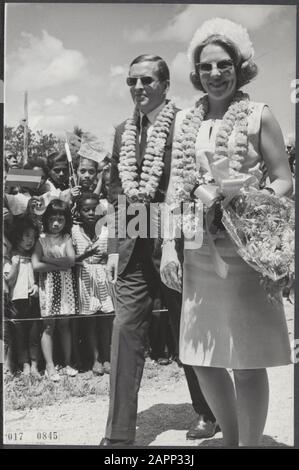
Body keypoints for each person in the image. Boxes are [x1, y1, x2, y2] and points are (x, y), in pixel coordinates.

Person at [161, 18, 293, 447]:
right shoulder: (186, 121)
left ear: (240, 67)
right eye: (206, 67)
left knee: (248, 360)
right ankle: (232, 438)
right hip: (198, 251)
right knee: (201, 358)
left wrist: (250, 201)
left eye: (224, 65)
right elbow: (173, 189)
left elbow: (284, 178)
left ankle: (251, 445)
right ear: (196, 73)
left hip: (245, 250)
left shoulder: (259, 115)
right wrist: (168, 246)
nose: (215, 74)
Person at [100, 54, 217, 446]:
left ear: (166, 85)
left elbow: (191, 185)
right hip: (135, 241)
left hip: (180, 242)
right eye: (131, 81)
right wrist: (115, 248)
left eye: (147, 81)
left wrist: (174, 245)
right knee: (124, 329)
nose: (138, 89)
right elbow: (120, 193)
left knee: (187, 327)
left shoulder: (187, 125)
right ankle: (118, 434)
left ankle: (208, 410)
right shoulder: (122, 131)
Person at [32, 199, 79, 381]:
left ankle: (67, 363)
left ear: (66, 220)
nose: (56, 223)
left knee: (65, 325)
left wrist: (48, 260)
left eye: (61, 219)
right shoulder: (41, 240)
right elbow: (36, 266)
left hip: (65, 286)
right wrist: (61, 263)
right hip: (49, 287)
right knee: (49, 326)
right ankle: (50, 367)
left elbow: (71, 261)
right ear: (46, 220)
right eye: (52, 219)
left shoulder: (66, 239)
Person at [72, 193, 114, 375]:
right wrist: (84, 257)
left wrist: (106, 258)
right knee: (89, 321)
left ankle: (107, 357)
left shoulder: (106, 230)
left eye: (94, 209)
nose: (90, 213)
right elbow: (70, 257)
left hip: (103, 276)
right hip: (84, 277)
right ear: (78, 212)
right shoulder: (73, 231)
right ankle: (95, 358)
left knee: (106, 320)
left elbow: (112, 254)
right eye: (85, 209)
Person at [4, 216, 41, 376]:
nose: (30, 241)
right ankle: (24, 364)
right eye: (26, 236)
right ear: (18, 236)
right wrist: (15, 264)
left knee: (34, 334)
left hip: (32, 301)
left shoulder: (34, 256)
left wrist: (36, 286)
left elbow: (38, 276)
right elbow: (9, 281)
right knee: (20, 335)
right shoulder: (11, 257)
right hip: (17, 302)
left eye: (33, 237)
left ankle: (34, 365)